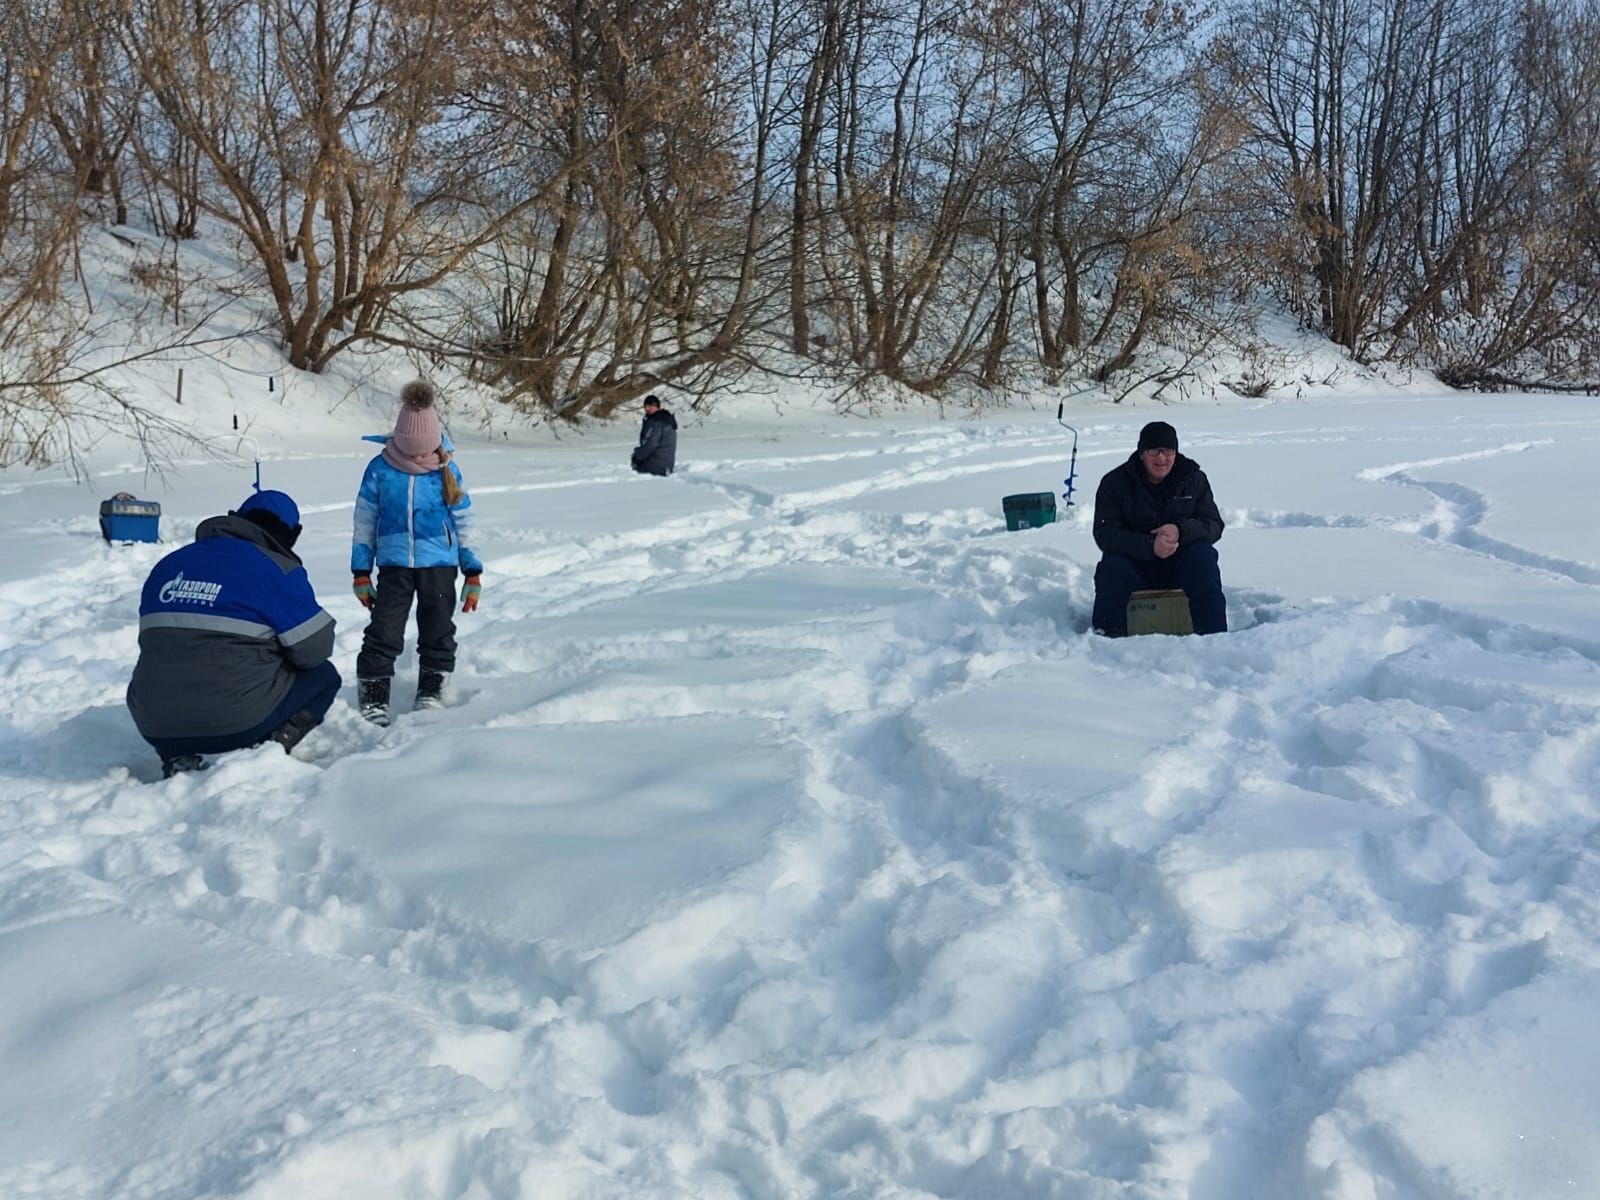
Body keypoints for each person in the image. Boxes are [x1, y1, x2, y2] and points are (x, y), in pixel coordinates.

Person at [127, 489, 341, 778]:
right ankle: (269, 748)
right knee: (324, 676)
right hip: (237, 724)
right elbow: (313, 650)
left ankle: (177, 756)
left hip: (153, 723)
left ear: (235, 518)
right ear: (294, 534)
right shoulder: (277, 569)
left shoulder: (169, 564)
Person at [352, 379, 483, 725]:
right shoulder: (380, 469)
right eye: (409, 451)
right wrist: (361, 572)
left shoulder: (446, 469)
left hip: (439, 565)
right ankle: (375, 693)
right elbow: (365, 520)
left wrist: (473, 572)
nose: (415, 458)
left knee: (438, 627)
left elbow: (465, 521)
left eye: (421, 451)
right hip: (394, 565)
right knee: (384, 629)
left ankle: (432, 688)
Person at [1090, 420, 1227, 636]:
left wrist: (1180, 530)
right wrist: (1149, 546)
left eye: (1168, 451)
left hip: (1182, 563)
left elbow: (1213, 525)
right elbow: (1105, 534)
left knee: (1203, 556)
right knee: (1112, 568)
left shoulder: (1193, 478)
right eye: (1154, 451)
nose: (1161, 458)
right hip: (1134, 565)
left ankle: (1215, 637)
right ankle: (1106, 641)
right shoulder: (1114, 483)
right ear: (1142, 453)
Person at [631, 394, 677, 476]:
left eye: (650, 406)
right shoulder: (667, 420)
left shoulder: (657, 422)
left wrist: (637, 456)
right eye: (645, 406)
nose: (647, 408)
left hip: (655, 465)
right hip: (666, 464)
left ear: (657, 407)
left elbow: (650, 444)